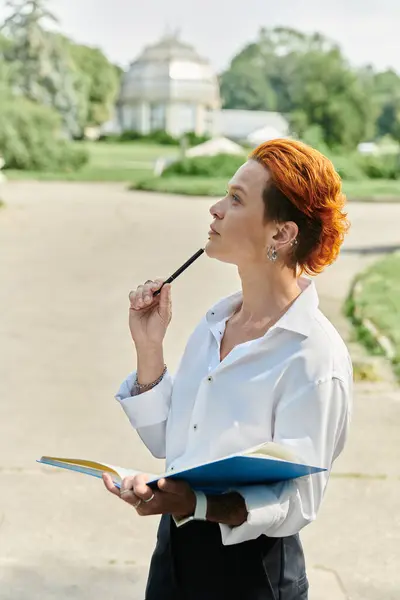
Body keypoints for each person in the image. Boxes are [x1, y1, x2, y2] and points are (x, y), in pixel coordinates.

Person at [103, 139, 353, 600]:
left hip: (251, 577)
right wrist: (149, 347)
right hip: (174, 555)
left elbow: (299, 503)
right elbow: (167, 444)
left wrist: (197, 502)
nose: (215, 209)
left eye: (236, 199)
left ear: (280, 235)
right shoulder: (216, 324)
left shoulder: (315, 356)